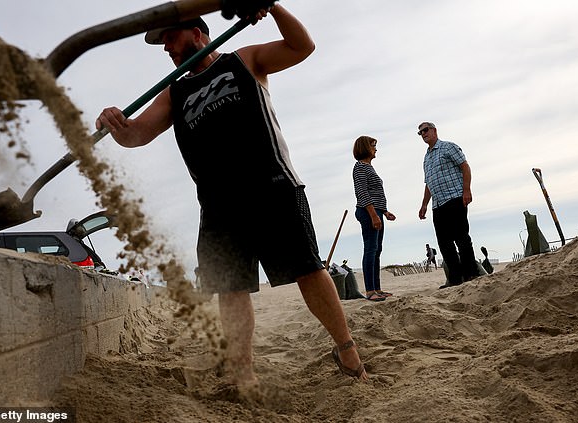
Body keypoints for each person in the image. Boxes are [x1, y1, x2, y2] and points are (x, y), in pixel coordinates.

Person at [96, 5, 367, 385]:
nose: (166, 49)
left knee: (309, 269)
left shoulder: (245, 60)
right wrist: (115, 124)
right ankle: (243, 374)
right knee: (230, 287)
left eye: (170, 38)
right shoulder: (175, 92)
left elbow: (302, 46)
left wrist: (271, 7)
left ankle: (347, 349)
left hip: (273, 187)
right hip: (218, 206)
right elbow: (137, 134)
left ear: (196, 32)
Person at [417, 122, 480, 288]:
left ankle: (471, 274)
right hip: (437, 205)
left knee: (461, 237)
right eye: (420, 133)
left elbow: (465, 167)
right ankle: (455, 279)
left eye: (425, 130)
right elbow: (428, 183)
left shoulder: (448, 147)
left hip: (454, 197)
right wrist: (424, 205)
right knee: (444, 243)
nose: (423, 134)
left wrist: (467, 190)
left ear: (434, 130)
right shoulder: (426, 158)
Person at [352, 136, 397, 301]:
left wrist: (384, 212)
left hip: (376, 211)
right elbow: (362, 193)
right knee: (370, 250)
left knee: (377, 250)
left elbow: (374, 192)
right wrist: (373, 215)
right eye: (373, 146)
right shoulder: (360, 167)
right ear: (365, 147)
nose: (376, 149)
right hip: (367, 212)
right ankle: (370, 291)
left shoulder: (369, 167)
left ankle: (377, 288)